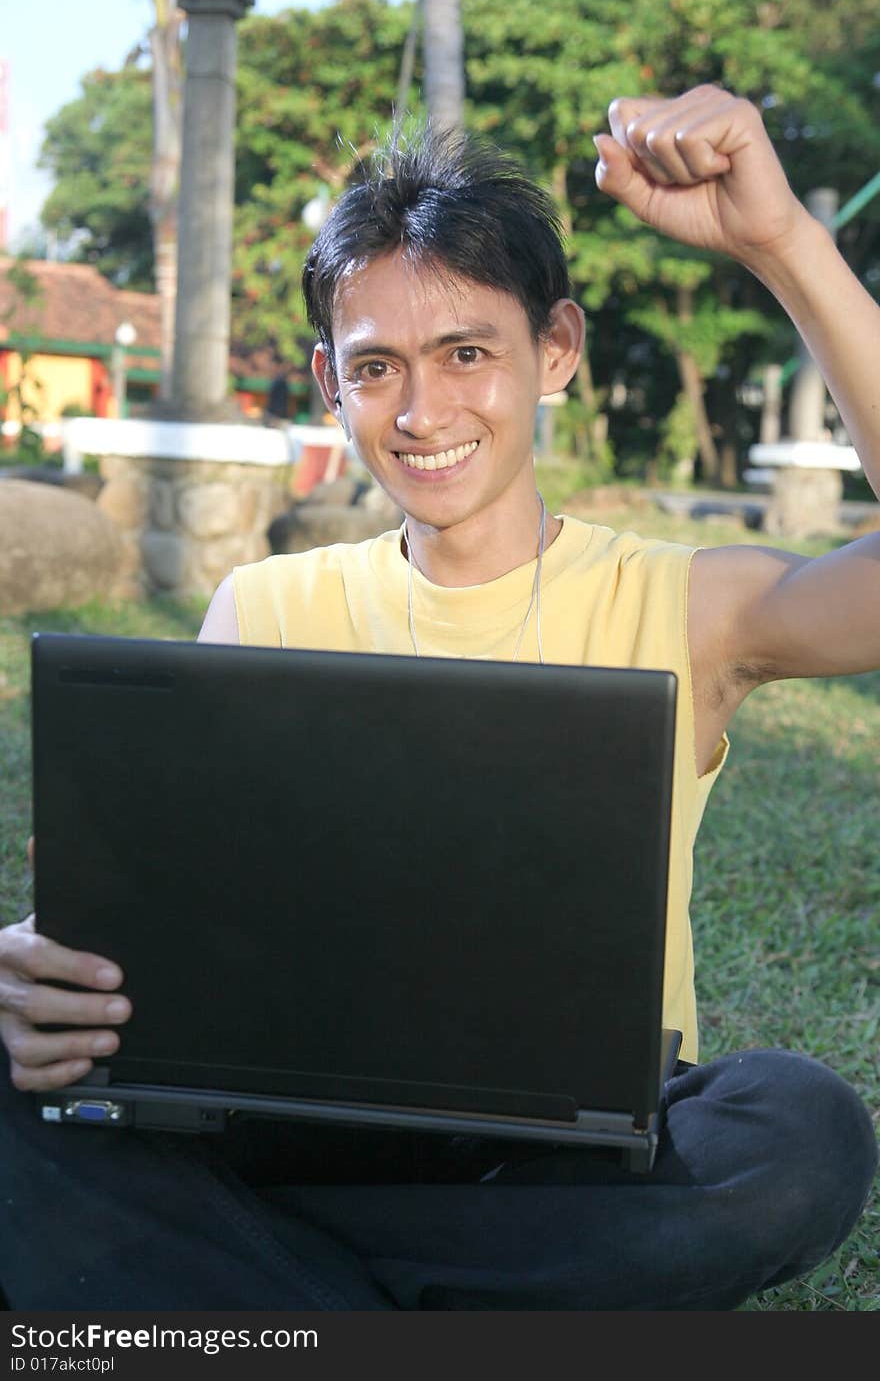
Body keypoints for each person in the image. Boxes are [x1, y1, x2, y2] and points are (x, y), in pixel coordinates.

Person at [0, 85, 877, 1311]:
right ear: (328, 382)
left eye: (468, 352)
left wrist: (782, 240)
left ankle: (267, 1296)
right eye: (377, 369)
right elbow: (159, 938)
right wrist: (42, 984)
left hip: (566, 1153)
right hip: (292, 1120)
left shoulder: (688, 605)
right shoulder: (264, 609)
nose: (422, 413)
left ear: (554, 349)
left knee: (801, 1129)